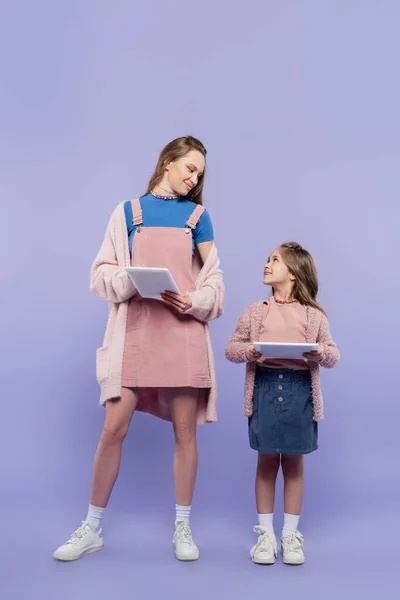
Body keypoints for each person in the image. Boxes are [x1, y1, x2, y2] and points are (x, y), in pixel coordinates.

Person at [53, 136, 224, 562]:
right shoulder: (128, 212)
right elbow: (100, 275)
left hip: (182, 334)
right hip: (135, 335)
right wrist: (132, 280)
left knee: (185, 435)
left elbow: (216, 285)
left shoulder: (198, 218)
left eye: (199, 173)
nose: (194, 178)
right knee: (113, 430)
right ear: (167, 162)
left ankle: (183, 527)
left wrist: (194, 300)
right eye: (189, 168)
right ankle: (91, 528)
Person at [225, 242, 339, 565]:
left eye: (275, 260)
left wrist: (319, 353)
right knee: (265, 464)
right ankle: (266, 536)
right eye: (268, 259)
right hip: (264, 388)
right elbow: (231, 348)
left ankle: (290, 536)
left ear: (293, 272)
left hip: (300, 392)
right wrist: (248, 352)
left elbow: (333, 354)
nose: (267, 264)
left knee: (293, 465)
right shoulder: (255, 310)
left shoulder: (313, 316)